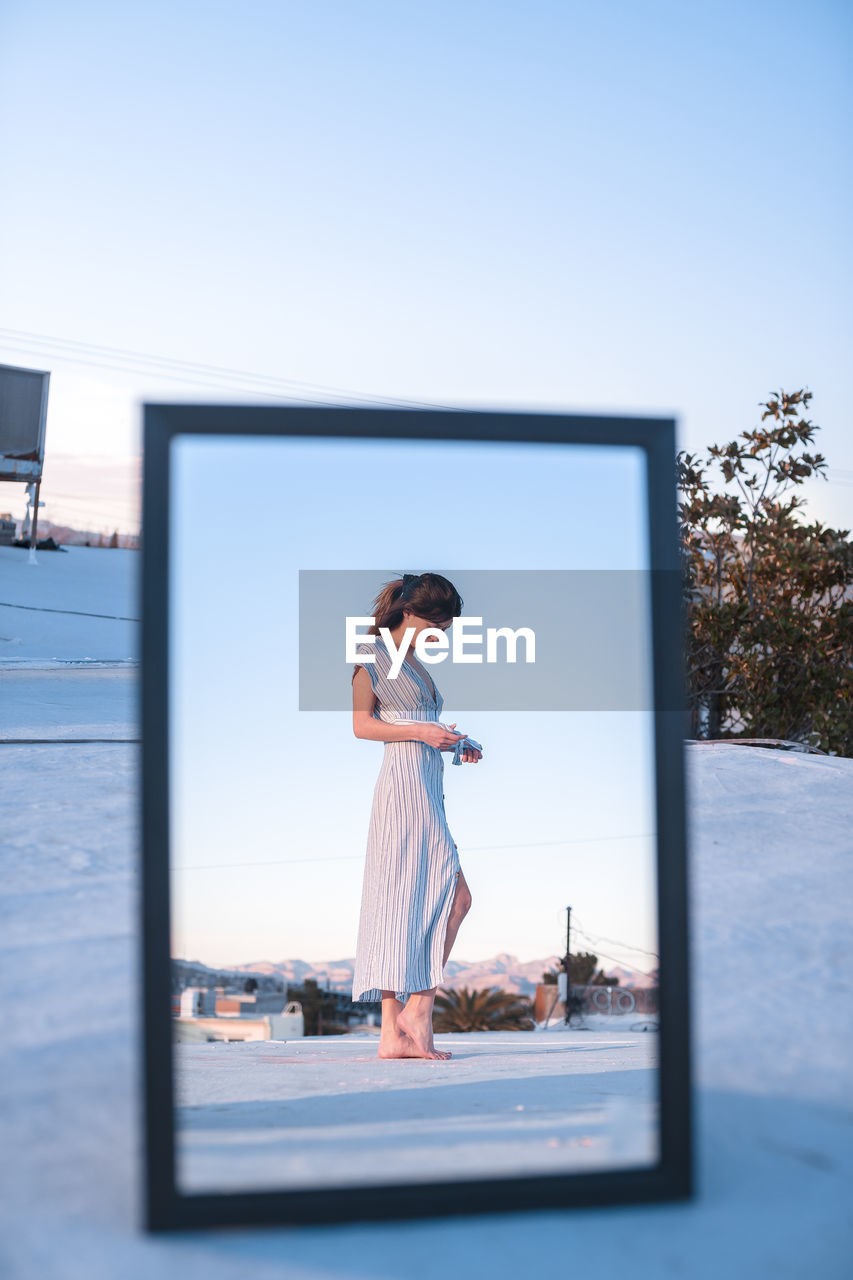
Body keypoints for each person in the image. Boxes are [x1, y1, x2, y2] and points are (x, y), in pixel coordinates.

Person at [350, 572, 482, 1060]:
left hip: (427, 782)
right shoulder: (374, 657)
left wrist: (456, 742)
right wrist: (424, 735)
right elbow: (363, 726)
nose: (441, 636)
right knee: (453, 897)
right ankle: (417, 1014)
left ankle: (394, 1035)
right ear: (410, 613)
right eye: (436, 625)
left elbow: (417, 725)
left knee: (404, 900)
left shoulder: (417, 666)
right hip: (403, 789)